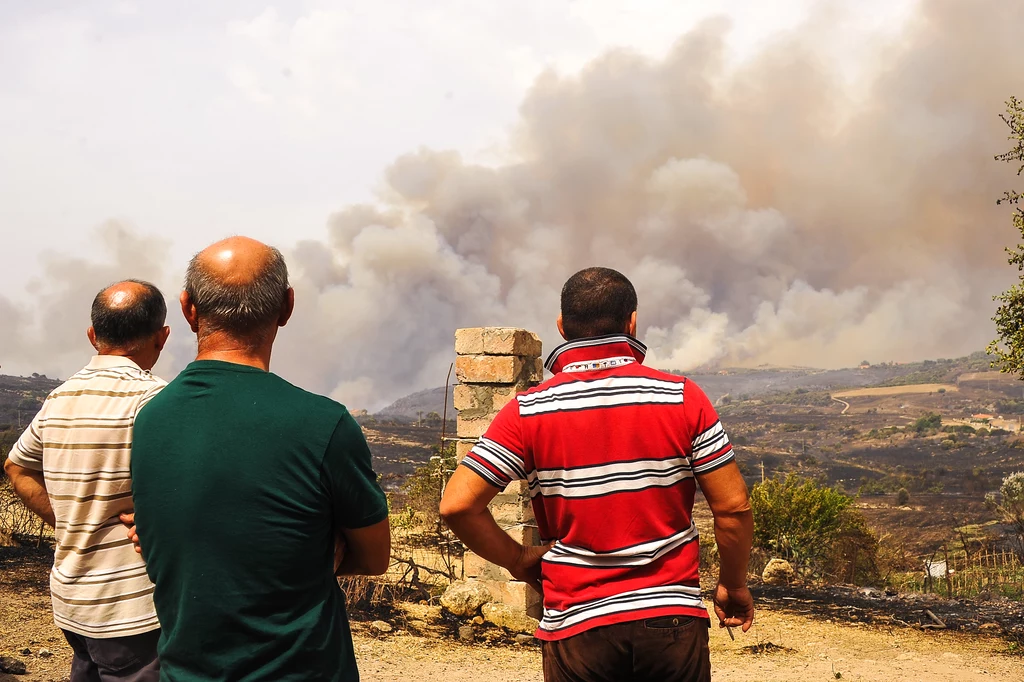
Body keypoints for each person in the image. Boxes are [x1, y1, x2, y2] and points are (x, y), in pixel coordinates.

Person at [440, 267, 754, 682]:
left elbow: (458, 505)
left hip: (577, 628)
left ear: (561, 327)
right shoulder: (681, 397)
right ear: (633, 321)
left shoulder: (527, 411)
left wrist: (517, 560)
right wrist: (733, 585)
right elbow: (732, 508)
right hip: (670, 623)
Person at [124, 237, 391, 682]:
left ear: (188, 309)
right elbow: (374, 556)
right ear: (287, 307)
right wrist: (310, 554)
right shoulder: (324, 423)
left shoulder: (151, 419)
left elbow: (172, 546)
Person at [4, 280, 170, 682]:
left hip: (72, 600)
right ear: (162, 337)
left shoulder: (59, 398)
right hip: (131, 611)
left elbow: (17, 467)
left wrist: (68, 520)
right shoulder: (156, 401)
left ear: (93, 335)